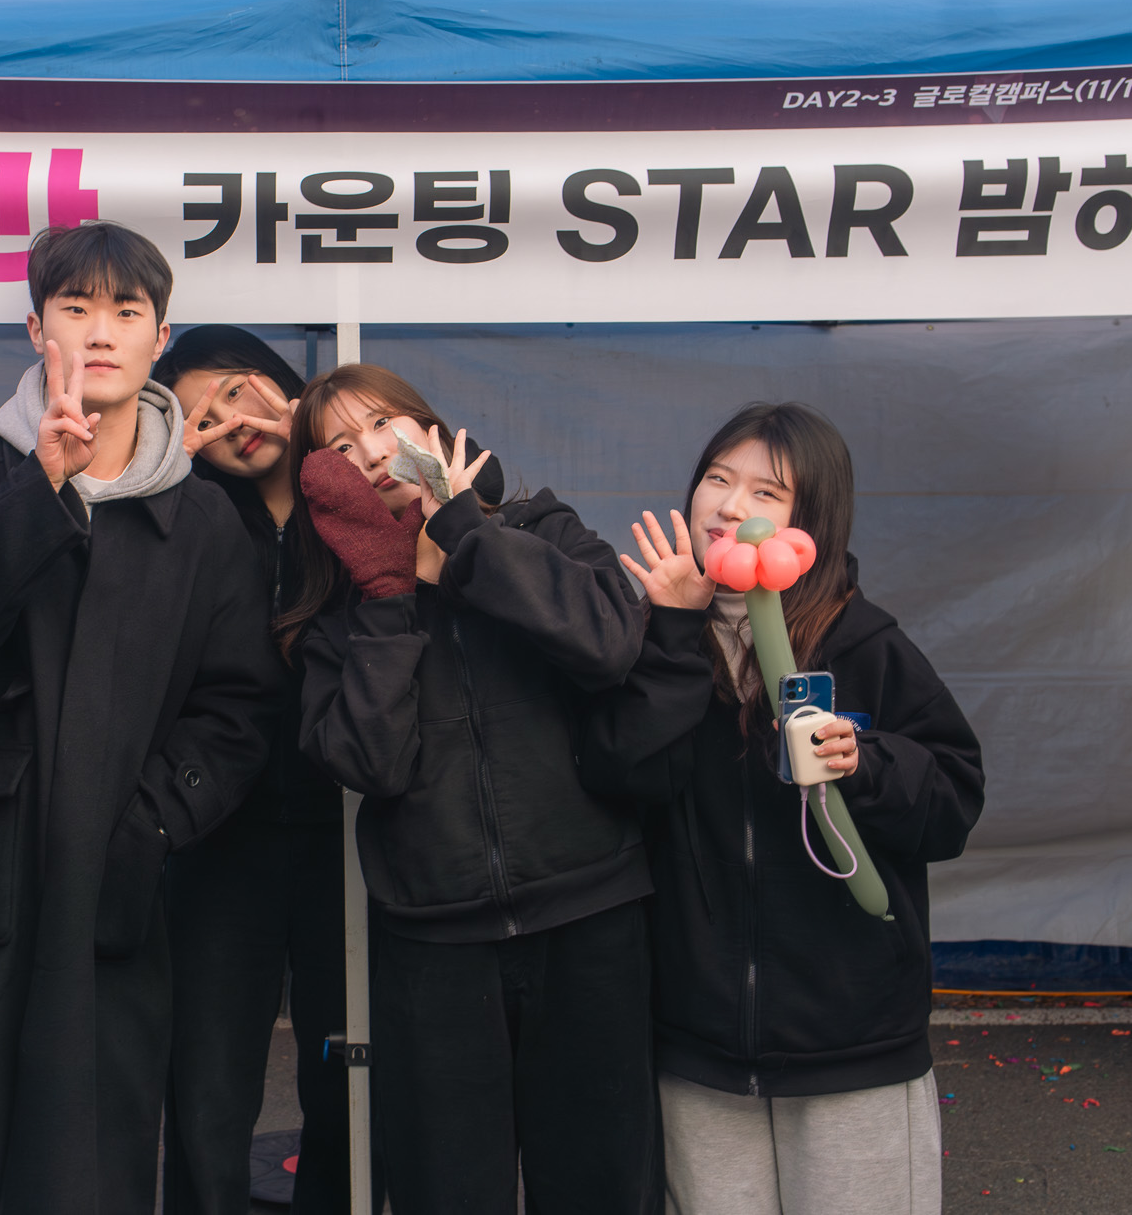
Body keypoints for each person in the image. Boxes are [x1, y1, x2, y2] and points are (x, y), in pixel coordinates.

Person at [0, 223, 283, 1215]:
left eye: (126, 311)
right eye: (75, 308)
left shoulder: (203, 517)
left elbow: (238, 706)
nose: (100, 332)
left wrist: (151, 823)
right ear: (37, 330)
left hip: (108, 887)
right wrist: (41, 486)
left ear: (160, 337)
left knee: (84, 1162)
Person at [581, 402, 984, 1215]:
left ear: (812, 520)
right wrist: (672, 630)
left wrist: (866, 762)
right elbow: (620, 776)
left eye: (766, 491)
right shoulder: (649, 639)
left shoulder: (862, 642)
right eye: (717, 479)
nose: (730, 506)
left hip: (851, 1041)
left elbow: (953, 799)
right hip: (695, 1044)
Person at [285, 363, 658, 1215]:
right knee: (448, 1190)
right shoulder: (341, 616)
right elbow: (371, 764)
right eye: (340, 446)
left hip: (590, 916)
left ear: (429, 427)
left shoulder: (537, 526)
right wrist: (386, 598)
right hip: (434, 943)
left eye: (383, 423)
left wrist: (465, 535)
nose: (369, 452)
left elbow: (610, 639)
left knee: (602, 1184)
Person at [152, 326, 350, 1215]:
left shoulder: (350, 494)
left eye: (239, 389)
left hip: (347, 830)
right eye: (202, 412)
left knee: (345, 1070)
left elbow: (470, 487)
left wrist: (327, 447)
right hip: (218, 838)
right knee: (207, 1079)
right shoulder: (187, 517)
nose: (233, 419)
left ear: (285, 384)